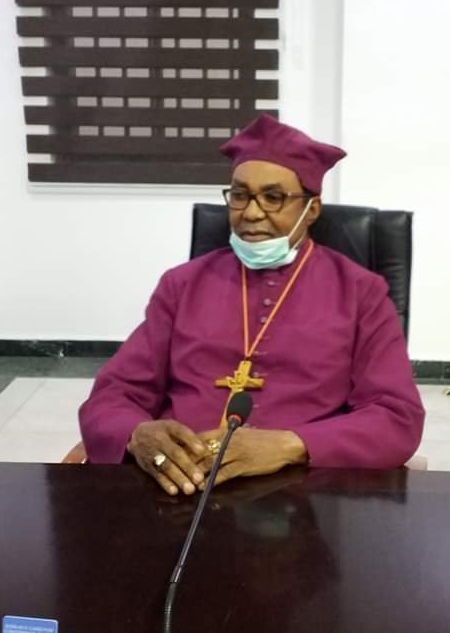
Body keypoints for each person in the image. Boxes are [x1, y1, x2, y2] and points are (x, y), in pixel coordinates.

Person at [78, 114, 425, 494]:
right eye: (240, 195)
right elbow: (113, 394)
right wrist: (136, 433)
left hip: (301, 488)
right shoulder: (182, 284)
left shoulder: (361, 292)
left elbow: (396, 416)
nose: (252, 213)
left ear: (311, 209)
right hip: (178, 483)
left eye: (273, 197)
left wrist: (293, 445)